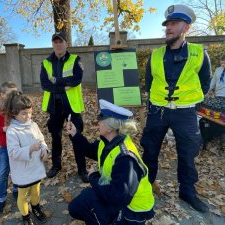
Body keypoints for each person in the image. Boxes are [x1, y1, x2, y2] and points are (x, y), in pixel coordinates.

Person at [140, 4, 211, 213]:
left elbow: (204, 84)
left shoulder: (200, 54)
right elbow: (149, 82)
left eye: (174, 24)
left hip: (185, 112)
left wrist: (189, 104)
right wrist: (155, 103)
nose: (168, 28)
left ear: (186, 28)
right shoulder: (154, 55)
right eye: (167, 24)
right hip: (158, 111)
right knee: (150, 150)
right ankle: (145, 184)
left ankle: (187, 191)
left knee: (187, 153)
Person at [67, 99, 155, 225]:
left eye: (100, 118)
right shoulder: (109, 141)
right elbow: (89, 149)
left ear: (110, 126)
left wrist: (93, 176)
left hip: (133, 213)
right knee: (79, 204)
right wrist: (75, 134)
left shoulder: (125, 158)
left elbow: (118, 197)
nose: (97, 121)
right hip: (120, 197)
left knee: (88, 200)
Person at [40, 31, 88, 183]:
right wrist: (63, 86)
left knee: (76, 137)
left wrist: (56, 80)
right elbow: (45, 84)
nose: (58, 44)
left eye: (61, 41)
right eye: (55, 42)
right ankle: (56, 165)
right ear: (52, 44)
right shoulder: (46, 62)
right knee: (55, 137)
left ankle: (82, 169)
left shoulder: (75, 60)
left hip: (71, 106)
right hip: (54, 106)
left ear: (66, 43)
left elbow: (76, 80)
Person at [2, 91, 48, 225]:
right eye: (24, 113)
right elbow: (13, 152)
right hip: (22, 172)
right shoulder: (12, 131)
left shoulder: (33, 125)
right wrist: (30, 149)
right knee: (23, 196)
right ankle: (26, 216)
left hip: (36, 167)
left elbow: (41, 139)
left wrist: (44, 149)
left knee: (36, 192)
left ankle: (36, 209)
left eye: (30, 112)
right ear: (14, 113)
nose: (28, 116)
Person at [0, 81, 18, 219]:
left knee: (17, 171)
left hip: (18, 147)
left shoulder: (17, 109)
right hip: (5, 148)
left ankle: (17, 190)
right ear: (2, 94)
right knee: (2, 175)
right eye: (10, 93)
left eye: (15, 93)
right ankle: (1, 201)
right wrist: (3, 129)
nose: (14, 96)